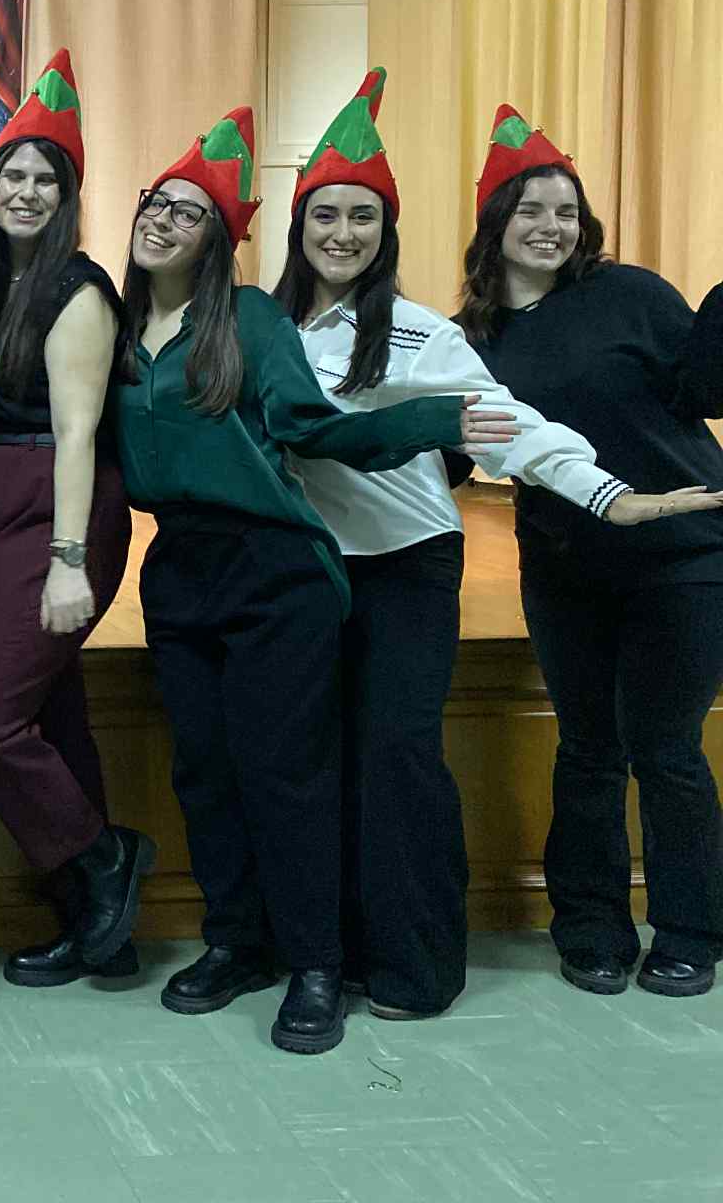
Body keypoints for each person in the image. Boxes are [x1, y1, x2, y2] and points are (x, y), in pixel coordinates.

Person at [272, 71, 719, 1019]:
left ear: (386, 232)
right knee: (564, 750)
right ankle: (349, 949)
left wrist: (610, 494)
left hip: (572, 558)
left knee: (642, 750)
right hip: (357, 569)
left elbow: (513, 423)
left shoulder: (430, 331)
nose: (342, 233)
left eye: (363, 216)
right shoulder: (279, 328)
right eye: (325, 215)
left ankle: (663, 935)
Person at [114, 105, 515, 1055]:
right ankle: (236, 941)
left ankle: (317, 964)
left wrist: (436, 424)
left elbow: (313, 428)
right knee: (203, 770)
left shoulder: (249, 319)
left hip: (273, 568)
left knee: (286, 772)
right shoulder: (117, 328)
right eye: (156, 203)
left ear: (220, 240)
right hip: (178, 570)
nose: (165, 220)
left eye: (190, 212)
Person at [456, 105, 723, 999]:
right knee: (587, 748)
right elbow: (458, 447)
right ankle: (591, 926)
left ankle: (689, 928)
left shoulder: (633, 295)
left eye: (566, 212)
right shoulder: (473, 337)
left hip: (683, 555)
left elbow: (703, 388)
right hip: (564, 564)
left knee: (667, 748)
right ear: (497, 223)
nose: (552, 226)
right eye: (531, 210)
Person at [0, 50, 152, 990]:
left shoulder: (78, 289)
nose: (25, 192)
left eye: (45, 180)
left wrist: (69, 560)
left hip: (57, 509)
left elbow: (76, 434)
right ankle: (97, 928)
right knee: (51, 713)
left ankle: (105, 859)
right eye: (13, 176)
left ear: (66, 198)